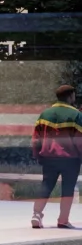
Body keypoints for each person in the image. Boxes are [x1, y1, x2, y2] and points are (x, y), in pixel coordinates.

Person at [33, 84, 82, 232]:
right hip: (70, 159)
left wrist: (38, 154)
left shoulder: (45, 114)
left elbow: (36, 138)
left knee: (46, 185)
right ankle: (63, 220)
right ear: (70, 96)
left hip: (48, 157)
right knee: (68, 189)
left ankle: (36, 215)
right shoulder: (76, 115)